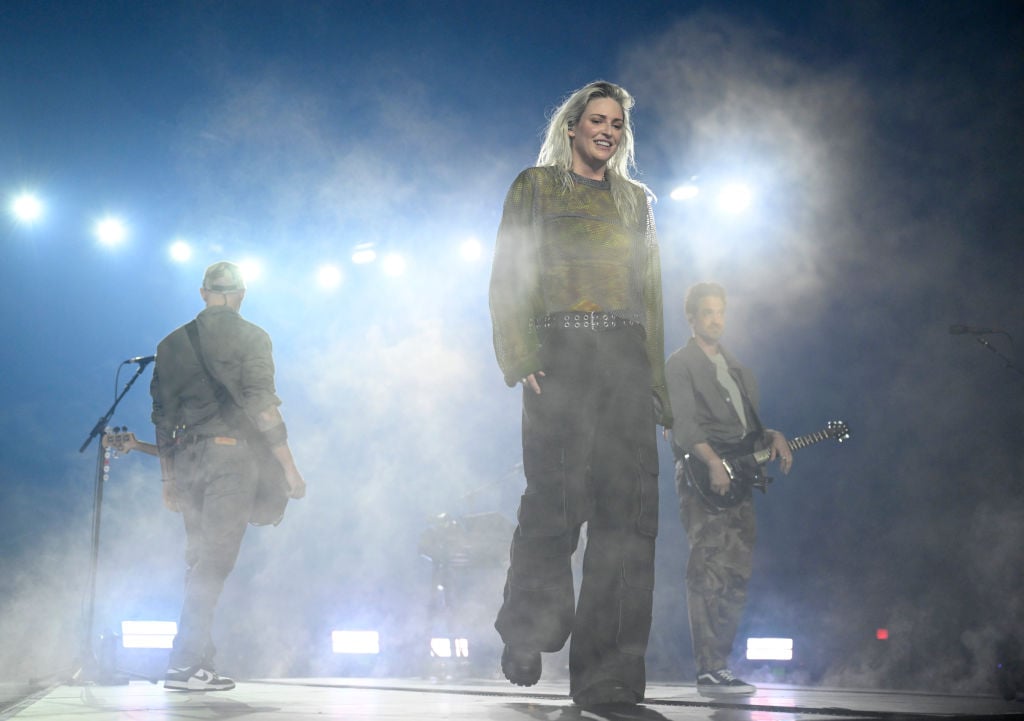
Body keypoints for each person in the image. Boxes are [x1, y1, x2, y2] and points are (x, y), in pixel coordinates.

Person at [488, 80, 672, 708]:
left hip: (623, 356)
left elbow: (650, 295)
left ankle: (609, 679)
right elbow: (509, 273)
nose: (608, 131)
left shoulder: (636, 201)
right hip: (560, 351)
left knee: (629, 519)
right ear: (571, 126)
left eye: (617, 124)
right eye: (597, 120)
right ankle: (527, 632)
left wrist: (656, 384)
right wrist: (521, 354)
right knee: (557, 501)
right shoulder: (534, 187)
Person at [150, 260, 306, 691]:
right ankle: (184, 662)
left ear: (203, 293)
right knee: (214, 563)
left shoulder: (170, 344)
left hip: (187, 462)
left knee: (200, 559)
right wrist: (290, 468)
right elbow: (262, 405)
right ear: (241, 294)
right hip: (229, 461)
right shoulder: (253, 337)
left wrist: (168, 479)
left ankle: (198, 663)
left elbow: (161, 419)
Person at [665, 282, 792, 696]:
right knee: (708, 568)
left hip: (738, 478)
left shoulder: (737, 368)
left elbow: (746, 430)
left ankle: (721, 664)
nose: (715, 319)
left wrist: (773, 435)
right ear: (692, 317)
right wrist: (712, 462)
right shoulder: (681, 363)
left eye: (720, 312)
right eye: (707, 312)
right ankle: (709, 666)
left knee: (737, 571)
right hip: (704, 476)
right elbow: (683, 425)